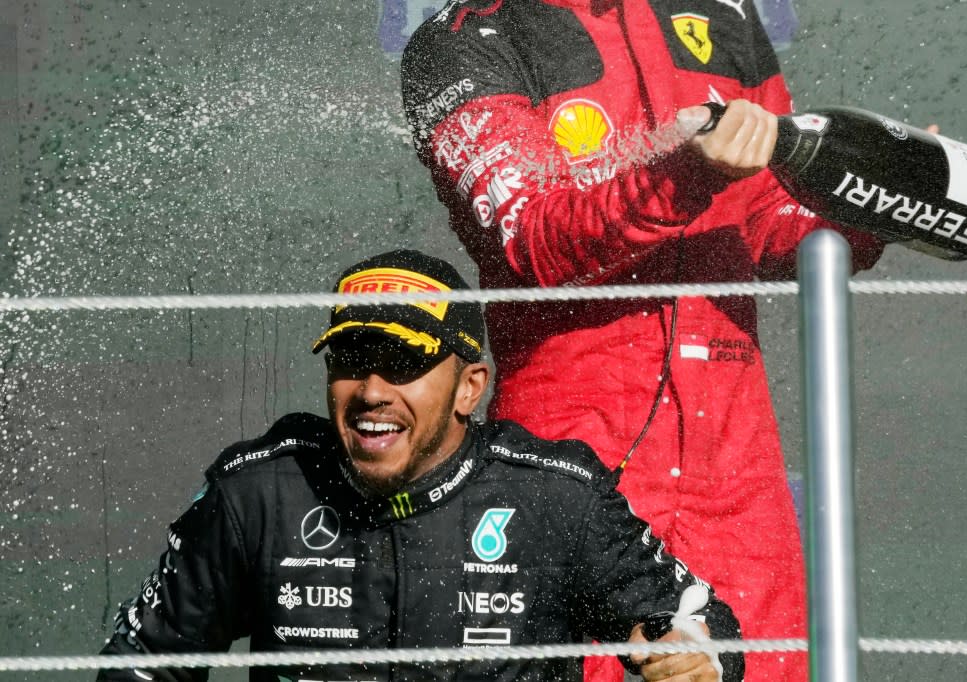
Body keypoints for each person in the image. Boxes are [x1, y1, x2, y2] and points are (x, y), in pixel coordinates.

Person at [400, 2, 889, 680]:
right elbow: (533, 241)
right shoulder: (459, 40)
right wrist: (689, 172)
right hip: (573, 469)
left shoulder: (726, 15)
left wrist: (876, 204)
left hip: (738, 477)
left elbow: (769, 224)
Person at [96, 249, 744, 682]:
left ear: (470, 387)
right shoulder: (260, 492)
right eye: (350, 361)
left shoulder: (553, 494)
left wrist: (689, 651)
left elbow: (699, 618)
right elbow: (144, 659)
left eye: (403, 364)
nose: (372, 392)